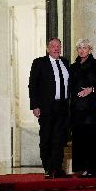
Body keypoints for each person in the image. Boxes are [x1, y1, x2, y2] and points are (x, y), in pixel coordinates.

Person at [29, 37, 71, 179]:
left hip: (63, 107)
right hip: (47, 107)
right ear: (48, 48)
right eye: (53, 46)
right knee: (46, 138)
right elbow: (32, 86)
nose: (56, 48)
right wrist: (34, 106)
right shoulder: (39, 63)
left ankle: (57, 168)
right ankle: (48, 168)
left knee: (60, 139)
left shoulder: (65, 62)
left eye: (58, 46)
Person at [70, 38, 96, 178]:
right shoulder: (73, 67)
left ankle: (92, 170)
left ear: (90, 50)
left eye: (84, 47)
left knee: (91, 140)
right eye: (79, 47)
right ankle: (82, 169)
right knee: (79, 140)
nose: (81, 50)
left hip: (91, 110)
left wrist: (91, 90)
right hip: (76, 110)